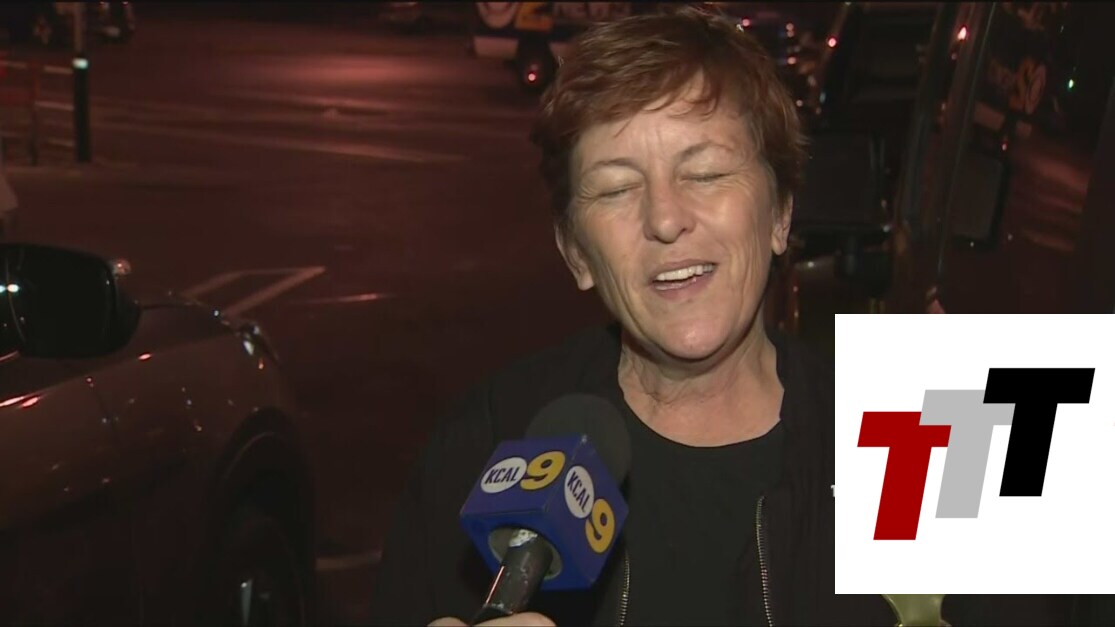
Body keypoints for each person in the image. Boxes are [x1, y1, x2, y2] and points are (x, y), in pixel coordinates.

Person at [371, 6, 1074, 626]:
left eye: (705, 172)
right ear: (576, 253)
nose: (665, 218)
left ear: (781, 213)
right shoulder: (488, 438)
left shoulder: (944, 424)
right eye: (615, 189)